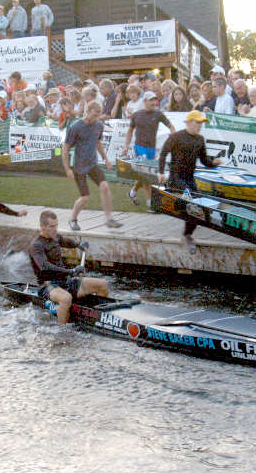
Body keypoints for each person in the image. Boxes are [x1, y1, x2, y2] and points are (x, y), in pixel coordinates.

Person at [158, 110, 223, 252]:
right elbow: (163, 153)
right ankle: (186, 232)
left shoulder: (200, 139)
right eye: (197, 122)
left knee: (199, 205)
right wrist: (161, 172)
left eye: (201, 123)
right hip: (176, 177)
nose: (199, 126)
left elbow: (205, 160)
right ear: (189, 122)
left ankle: (187, 235)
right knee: (191, 202)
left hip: (189, 178)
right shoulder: (176, 137)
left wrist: (214, 162)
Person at [29, 210, 109, 325]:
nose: (55, 229)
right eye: (51, 226)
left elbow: (66, 241)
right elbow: (45, 266)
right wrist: (71, 271)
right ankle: (62, 331)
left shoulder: (55, 237)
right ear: (42, 226)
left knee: (103, 284)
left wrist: (79, 244)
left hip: (66, 281)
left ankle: (96, 320)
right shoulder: (36, 245)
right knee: (66, 299)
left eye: (56, 225)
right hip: (48, 285)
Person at [62, 101, 122, 231]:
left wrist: (106, 159)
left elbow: (98, 142)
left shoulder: (98, 126)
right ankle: (73, 219)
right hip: (79, 166)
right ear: (87, 111)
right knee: (85, 198)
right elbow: (65, 148)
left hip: (92, 163)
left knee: (105, 187)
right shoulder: (76, 127)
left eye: (98, 116)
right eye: (94, 115)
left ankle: (109, 219)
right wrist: (67, 169)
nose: (95, 119)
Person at [122, 91, 175, 205]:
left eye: (154, 100)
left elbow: (171, 126)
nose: (153, 102)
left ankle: (132, 192)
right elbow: (130, 131)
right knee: (147, 174)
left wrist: (174, 137)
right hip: (139, 147)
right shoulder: (136, 115)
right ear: (144, 101)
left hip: (151, 149)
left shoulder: (158, 114)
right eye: (151, 100)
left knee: (143, 174)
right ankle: (150, 202)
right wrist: (126, 146)